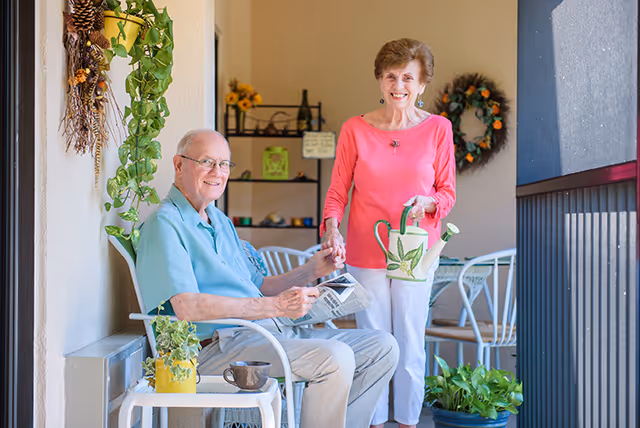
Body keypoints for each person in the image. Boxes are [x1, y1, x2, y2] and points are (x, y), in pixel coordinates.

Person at [136, 129, 399, 428]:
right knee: (334, 357)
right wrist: (275, 307)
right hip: (214, 349)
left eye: (224, 164)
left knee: (383, 346)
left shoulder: (219, 221)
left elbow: (260, 286)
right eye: (207, 161)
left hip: (263, 333)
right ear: (179, 165)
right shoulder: (165, 224)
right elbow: (187, 307)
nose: (217, 172)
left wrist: (311, 271)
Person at [321, 38, 456, 428]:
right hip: (366, 250)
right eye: (391, 76)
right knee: (375, 341)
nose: (399, 85)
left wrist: (428, 204)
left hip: (415, 253)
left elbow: (447, 193)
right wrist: (332, 228)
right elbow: (337, 191)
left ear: (422, 84)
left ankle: (408, 421)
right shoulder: (355, 129)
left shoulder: (438, 129)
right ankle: (374, 421)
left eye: (408, 77)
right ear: (380, 81)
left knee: (411, 340)